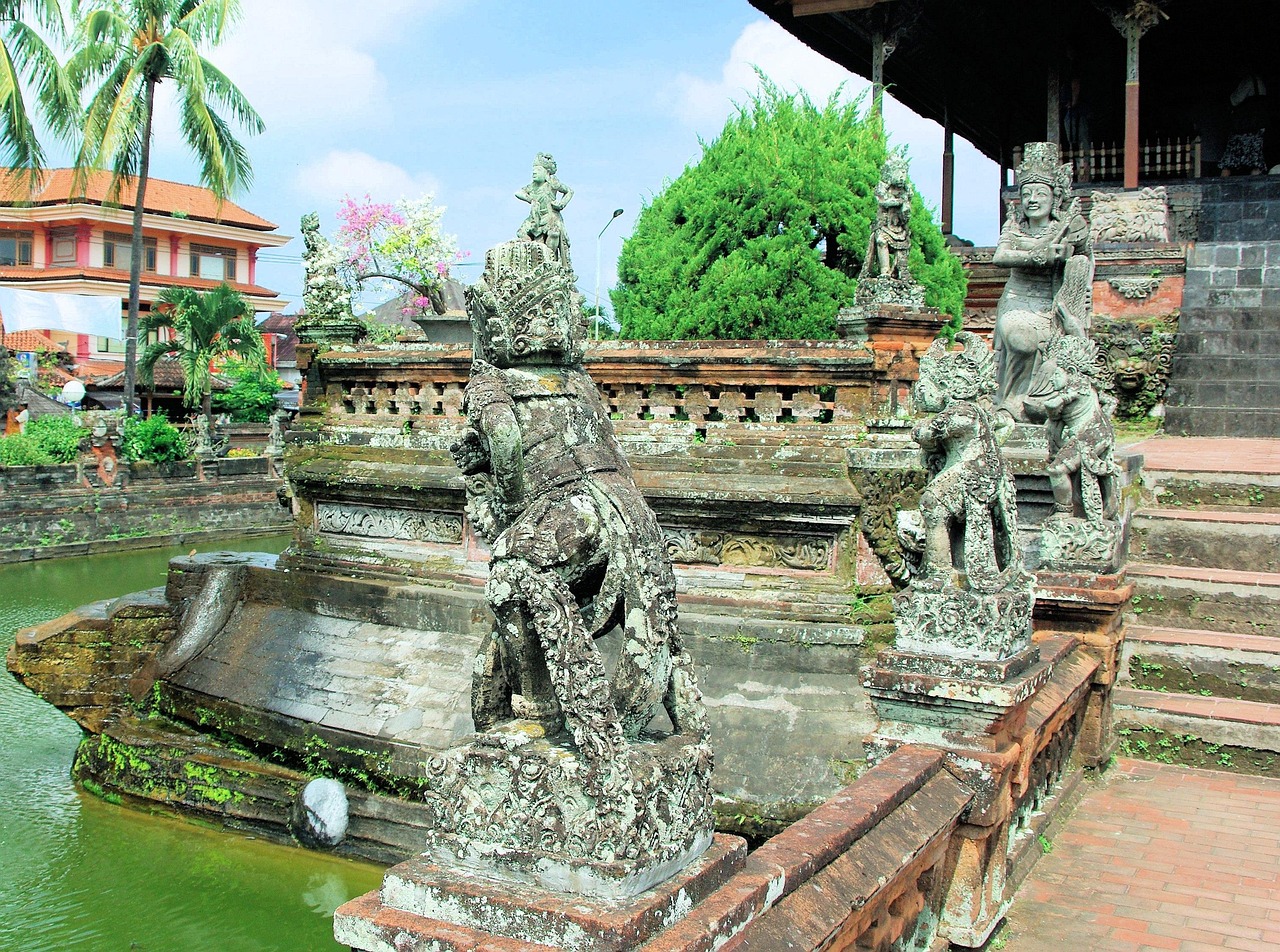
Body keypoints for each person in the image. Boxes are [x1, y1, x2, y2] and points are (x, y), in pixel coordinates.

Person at [991, 142, 1093, 422]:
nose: (1032, 200)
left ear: (1055, 198)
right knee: (1022, 339)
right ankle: (1011, 402)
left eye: (1039, 193)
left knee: (1055, 346)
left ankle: (1043, 404)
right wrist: (1037, 256)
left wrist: (1072, 252)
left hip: (1052, 300)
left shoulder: (1065, 227)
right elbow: (1000, 257)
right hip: (1019, 298)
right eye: (1026, 194)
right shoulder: (1014, 227)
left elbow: (1083, 259)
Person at [1220, 74, 1267, 176]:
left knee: (1229, 162)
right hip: (1257, 128)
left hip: (1242, 130)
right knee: (1255, 163)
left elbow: (1235, 100)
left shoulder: (1248, 81)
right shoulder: (1261, 82)